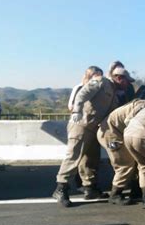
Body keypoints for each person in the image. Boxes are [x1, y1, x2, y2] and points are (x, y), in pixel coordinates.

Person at [52, 66, 134, 207]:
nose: (128, 84)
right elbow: (83, 94)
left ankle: (90, 188)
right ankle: (61, 188)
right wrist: (77, 110)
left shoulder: (114, 94)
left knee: (90, 159)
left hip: (93, 128)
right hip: (81, 124)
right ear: (119, 78)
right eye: (127, 81)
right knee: (74, 156)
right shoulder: (100, 81)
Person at [96, 98, 145, 206]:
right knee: (124, 163)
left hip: (114, 131)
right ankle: (115, 194)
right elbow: (128, 121)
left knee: (134, 160)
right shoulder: (143, 106)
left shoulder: (140, 104)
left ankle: (135, 191)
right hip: (111, 133)